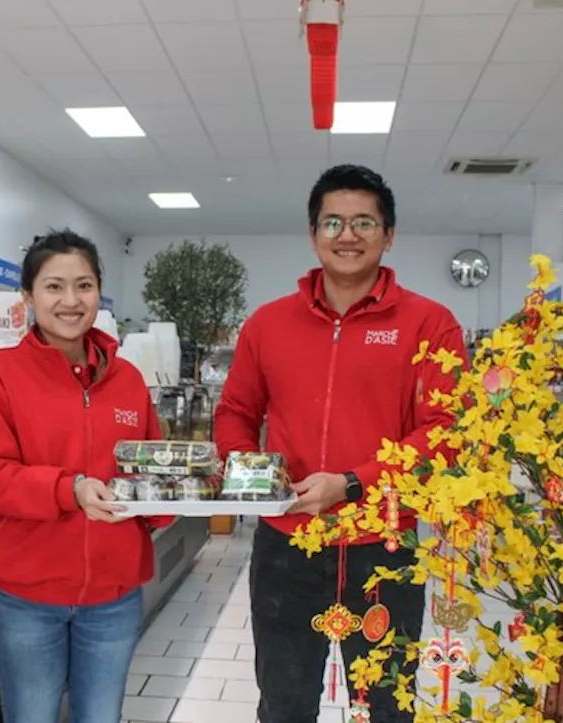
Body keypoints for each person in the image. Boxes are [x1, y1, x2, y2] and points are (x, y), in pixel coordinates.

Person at [214, 165, 466, 723]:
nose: (347, 235)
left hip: (384, 548)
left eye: (363, 223)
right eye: (333, 222)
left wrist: (353, 482)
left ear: (389, 235)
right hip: (287, 546)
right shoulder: (268, 324)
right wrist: (250, 473)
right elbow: (235, 412)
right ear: (313, 234)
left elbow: (445, 432)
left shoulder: (430, 324)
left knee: (384, 708)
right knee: (283, 704)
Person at [0, 229, 169, 723]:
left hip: (113, 595)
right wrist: (69, 489)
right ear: (28, 297)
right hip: (27, 595)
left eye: (84, 285)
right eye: (54, 287)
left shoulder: (128, 380)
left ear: (99, 291)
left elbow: (152, 464)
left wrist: (183, 493)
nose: (71, 301)